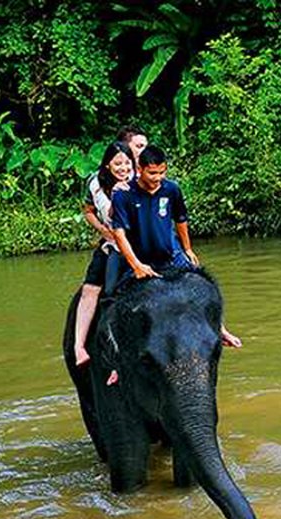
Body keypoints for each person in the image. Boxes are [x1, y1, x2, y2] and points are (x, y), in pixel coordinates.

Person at [108, 145, 243, 349]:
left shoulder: (171, 189)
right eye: (152, 173)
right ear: (140, 169)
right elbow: (119, 233)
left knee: (202, 286)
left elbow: (180, 220)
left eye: (162, 172)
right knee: (113, 298)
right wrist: (135, 265)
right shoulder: (124, 195)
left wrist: (187, 249)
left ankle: (220, 329)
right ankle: (116, 354)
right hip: (139, 259)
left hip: (170, 255)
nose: (157, 178)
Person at [71, 141, 135, 366]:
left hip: (137, 243)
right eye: (118, 163)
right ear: (107, 165)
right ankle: (79, 345)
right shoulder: (96, 184)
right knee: (91, 290)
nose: (123, 168)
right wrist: (102, 231)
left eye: (127, 163)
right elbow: (88, 210)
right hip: (112, 244)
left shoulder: (139, 180)